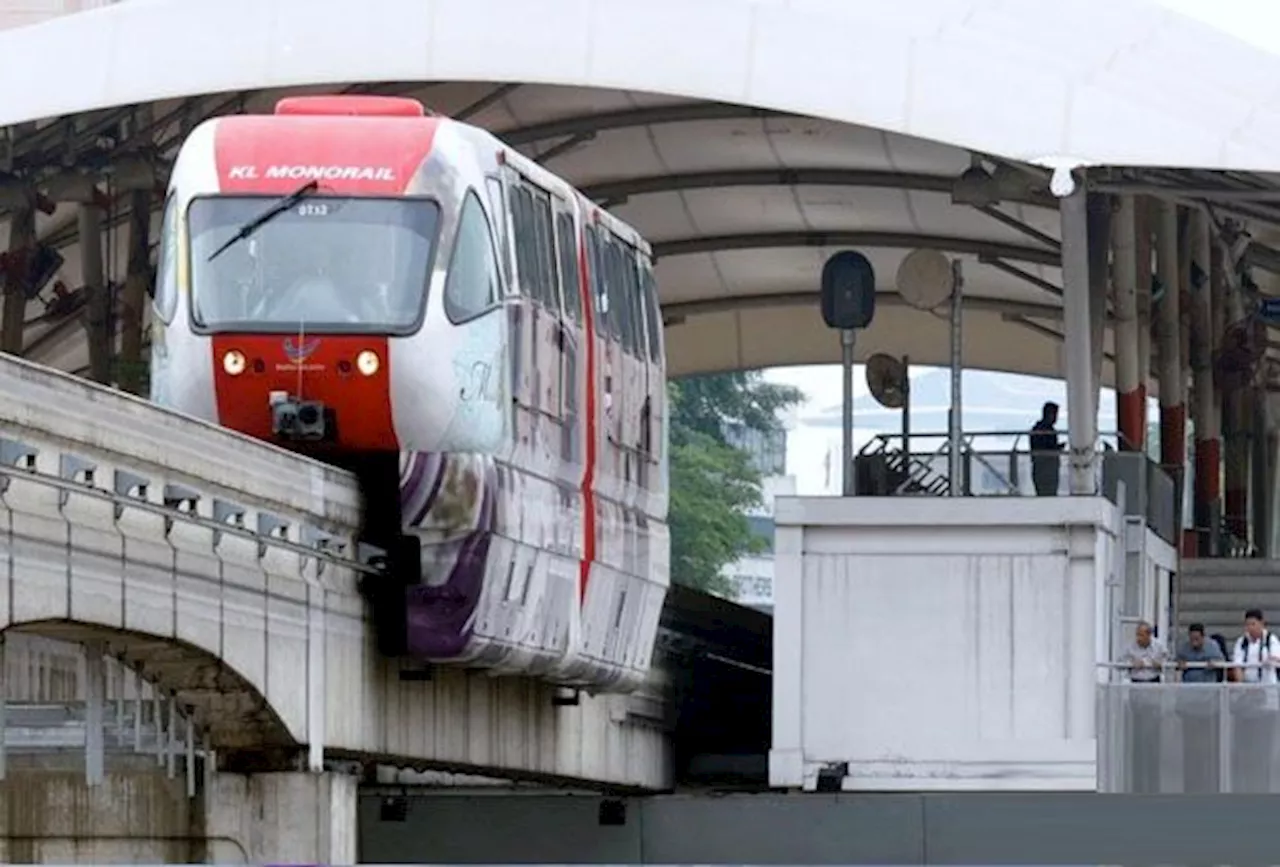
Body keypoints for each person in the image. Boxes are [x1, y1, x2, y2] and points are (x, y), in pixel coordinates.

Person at [1229, 608, 1280, 792]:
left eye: (1253, 624)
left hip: (1267, 703)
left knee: (1263, 748)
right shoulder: (1241, 642)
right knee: (1245, 747)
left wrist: (1267, 661)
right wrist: (1243, 686)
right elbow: (1237, 666)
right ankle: (1245, 786)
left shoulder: (1270, 640)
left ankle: (1263, 786)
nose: (1250, 628)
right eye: (1247, 624)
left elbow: (1275, 659)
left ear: (1261, 623)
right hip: (1247, 701)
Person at [1175, 623, 1225, 792]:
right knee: (1190, 748)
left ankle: (1207, 783)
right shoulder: (1184, 648)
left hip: (1206, 705)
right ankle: (1190, 784)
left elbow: (1221, 663)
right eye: (1192, 639)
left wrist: (1214, 664)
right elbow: (1176, 662)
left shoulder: (1212, 647)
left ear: (1203, 637)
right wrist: (1179, 664)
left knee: (1205, 747)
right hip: (1188, 705)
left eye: (1197, 639)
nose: (1194, 642)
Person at [1123, 620, 1167, 792]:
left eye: (1142, 634)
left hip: (1152, 686)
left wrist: (1157, 664)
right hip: (1137, 686)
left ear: (1149, 634)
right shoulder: (1131, 647)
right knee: (1138, 736)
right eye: (1137, 634)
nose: (1138, 638)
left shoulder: (1158, 646)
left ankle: (1154, 783)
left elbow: (1166, 661)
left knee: (1152, 737)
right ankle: (1137, 782)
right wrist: (1132, 664)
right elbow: (1123, 661)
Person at [1029, 401, 1062, 496]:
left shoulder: (1037, 429)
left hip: (1043, 468)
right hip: (1045, 469)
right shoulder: (1044, 430)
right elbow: (1045, 448)